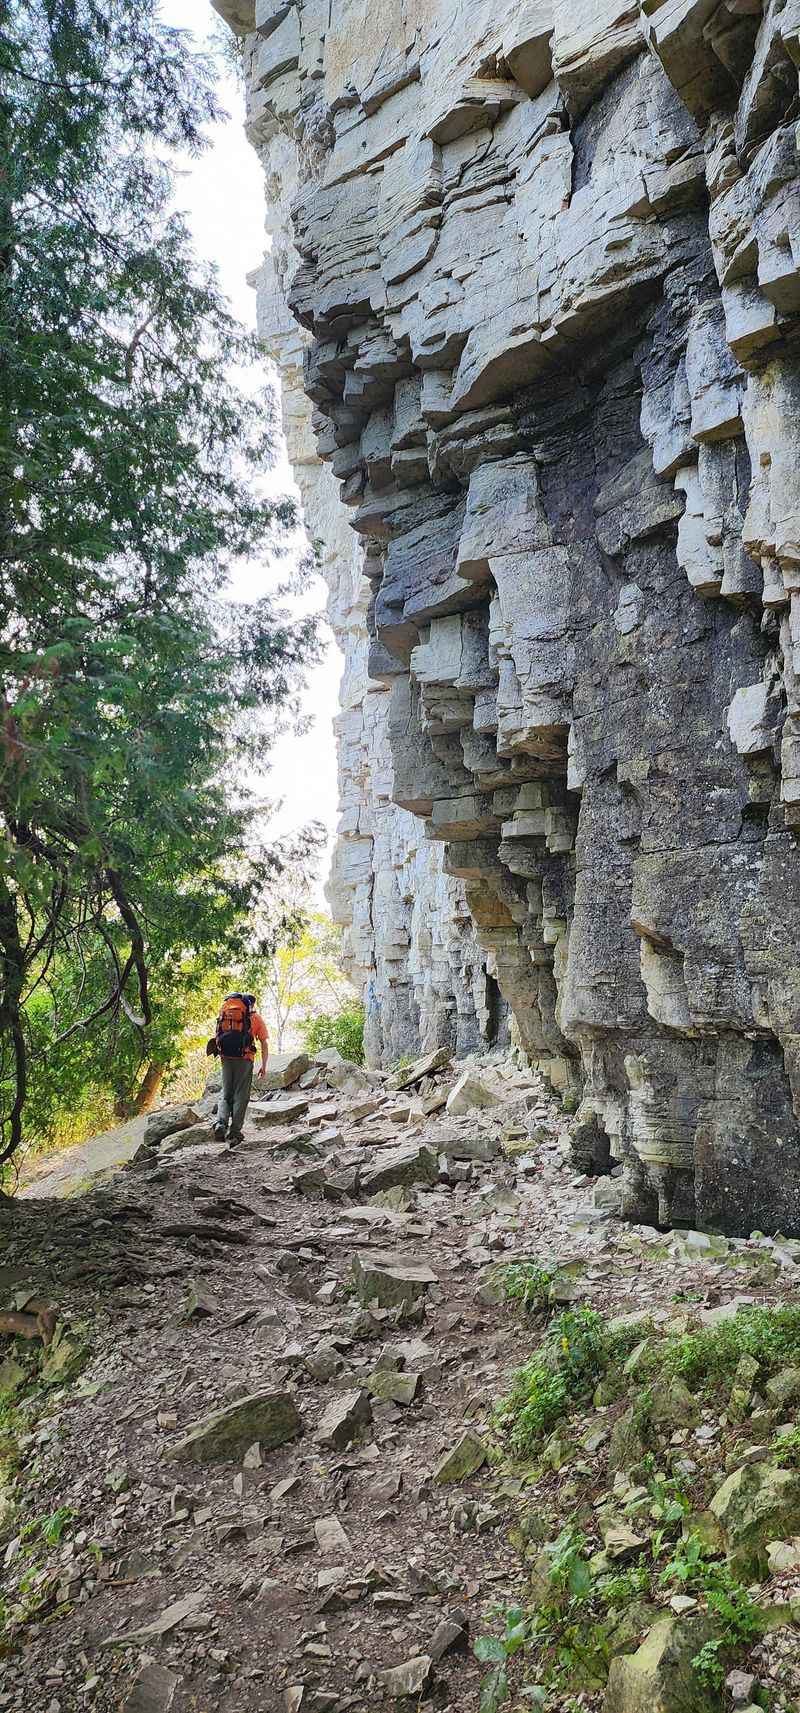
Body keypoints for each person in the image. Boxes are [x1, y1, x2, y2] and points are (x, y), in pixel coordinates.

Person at [212, 992, 269, 1145]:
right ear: (252, 1004)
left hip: (226, 1057)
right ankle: (234, 1133)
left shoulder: (227, 1015)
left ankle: (221, 1123)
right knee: (241, 1096)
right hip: (244, 1059)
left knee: (226, 1093)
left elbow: (218, 1034)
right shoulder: (255, 1018)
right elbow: (264, 1043)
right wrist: (263, 1066)